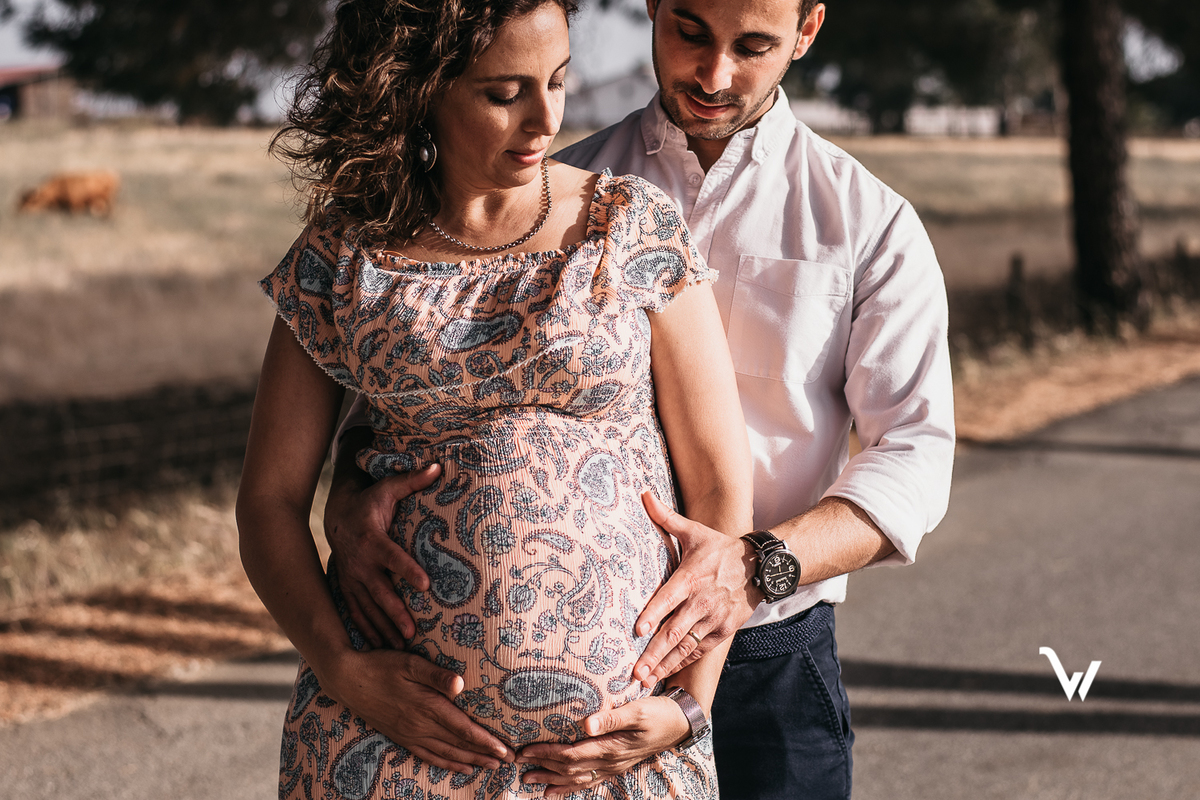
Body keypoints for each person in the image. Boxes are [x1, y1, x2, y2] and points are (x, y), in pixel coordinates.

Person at [322, 0, 956, 798]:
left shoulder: (870, 224)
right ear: (652, 5)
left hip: (769, 663)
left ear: (807, 31)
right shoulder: (550, 188)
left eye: (752, 45)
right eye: (690, 33)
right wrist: (347, 496)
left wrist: (752, 567)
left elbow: (915, 455)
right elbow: (402, 396)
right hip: (562, 692)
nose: (714, 74)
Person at [235, 1, 754, 799]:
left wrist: (690, 705)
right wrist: (341, 669)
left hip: (615, 755)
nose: (547, 119)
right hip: (386, 753)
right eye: (504, 93)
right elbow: (268, 501)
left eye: (558, 81)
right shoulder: (343, 254)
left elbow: (719, 484)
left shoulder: (630, 225)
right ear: (418, 89)